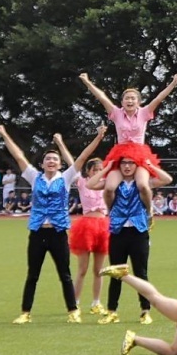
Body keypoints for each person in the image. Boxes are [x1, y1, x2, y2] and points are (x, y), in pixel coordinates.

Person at [0, 125, 85, 324]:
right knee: (32, 274)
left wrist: (97, 137)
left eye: (54, 159)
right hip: (37, 232)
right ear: (43, 163)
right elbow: (19, 157)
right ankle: (25, 312)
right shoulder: (34, 177)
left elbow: (80, 160)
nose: (51, 161)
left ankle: (73, 310)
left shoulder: (66, 177)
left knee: (65, 274)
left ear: (60, 164)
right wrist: (4, 134)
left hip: (58, 232)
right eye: (47, 159)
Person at [87, 149, 173, 325]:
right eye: (124, 163)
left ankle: (145, 310)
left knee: (141, 272)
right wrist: (106, 169)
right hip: (118, 231)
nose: (127, 167)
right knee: (116, 272)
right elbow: (90, 184)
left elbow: (167, 179)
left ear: (136, 165)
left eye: (131, 163)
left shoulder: (143, 182)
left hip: (138, 231)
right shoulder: (114, 183)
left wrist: (149, 165)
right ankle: (112, 311)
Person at [78, 72, 177, 207]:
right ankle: (111, 212)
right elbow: (102, 97)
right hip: (120, 154)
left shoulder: (145, 112)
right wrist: (87, 82)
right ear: (122, 102)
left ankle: (149, 210)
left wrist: (173, 84)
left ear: (138, 102)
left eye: (133, 98)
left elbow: (159, 98)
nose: (130, 101)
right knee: (109, 187)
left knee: (143, 186)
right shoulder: (116, 113)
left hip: (139, 154)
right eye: (127, 98)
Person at [57, 128, 110, 316]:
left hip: (103, 226)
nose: (98, 171)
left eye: (100, 169)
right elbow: (73, 160)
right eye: (94, 169)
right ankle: (75, 302)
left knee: (99, 270)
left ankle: (96, 302)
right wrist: (60, 143)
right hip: (86, 225)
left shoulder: (107, 183)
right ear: (88, 171)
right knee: (82, 269)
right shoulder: (81, 182)